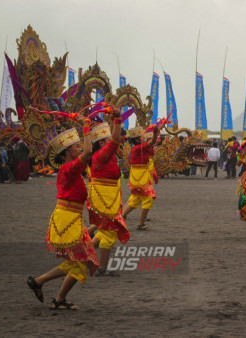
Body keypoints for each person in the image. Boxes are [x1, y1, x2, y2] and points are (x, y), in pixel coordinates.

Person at [27, 116, 99, 310]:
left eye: (78, 146)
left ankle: (47, 289)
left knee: (78, 262)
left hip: (68, 219)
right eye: (77, 147)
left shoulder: (68, 169)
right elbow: (89, 152)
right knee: (80, 262)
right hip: (68, 220)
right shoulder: (70, 168)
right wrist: (85, 128)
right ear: (68, 151)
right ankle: (51, 292)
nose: (80, 149)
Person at [87, 110, 130, 276]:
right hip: (104, 197)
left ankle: (85, 255)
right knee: (109, 234)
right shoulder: (102, 154)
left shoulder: (104, 153)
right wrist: (118, 120)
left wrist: (113, 119)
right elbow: (114, 141)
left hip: (108, 196)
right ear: (101, 143)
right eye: (106, 138)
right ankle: (102, 267)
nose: (111, 139)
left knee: (105, 231)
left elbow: (112, 140)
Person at [122, 125, 160, 230]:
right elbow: (152, 143)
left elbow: (152, 147)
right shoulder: (138, 148)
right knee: (148, 199)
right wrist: (155, 133)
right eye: (141, 137)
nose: (143, 138)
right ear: (137, 139)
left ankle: (119, 218)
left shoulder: (140, 148)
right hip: (140, 177)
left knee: (135, 199)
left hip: (139, 175)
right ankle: (141, 223)